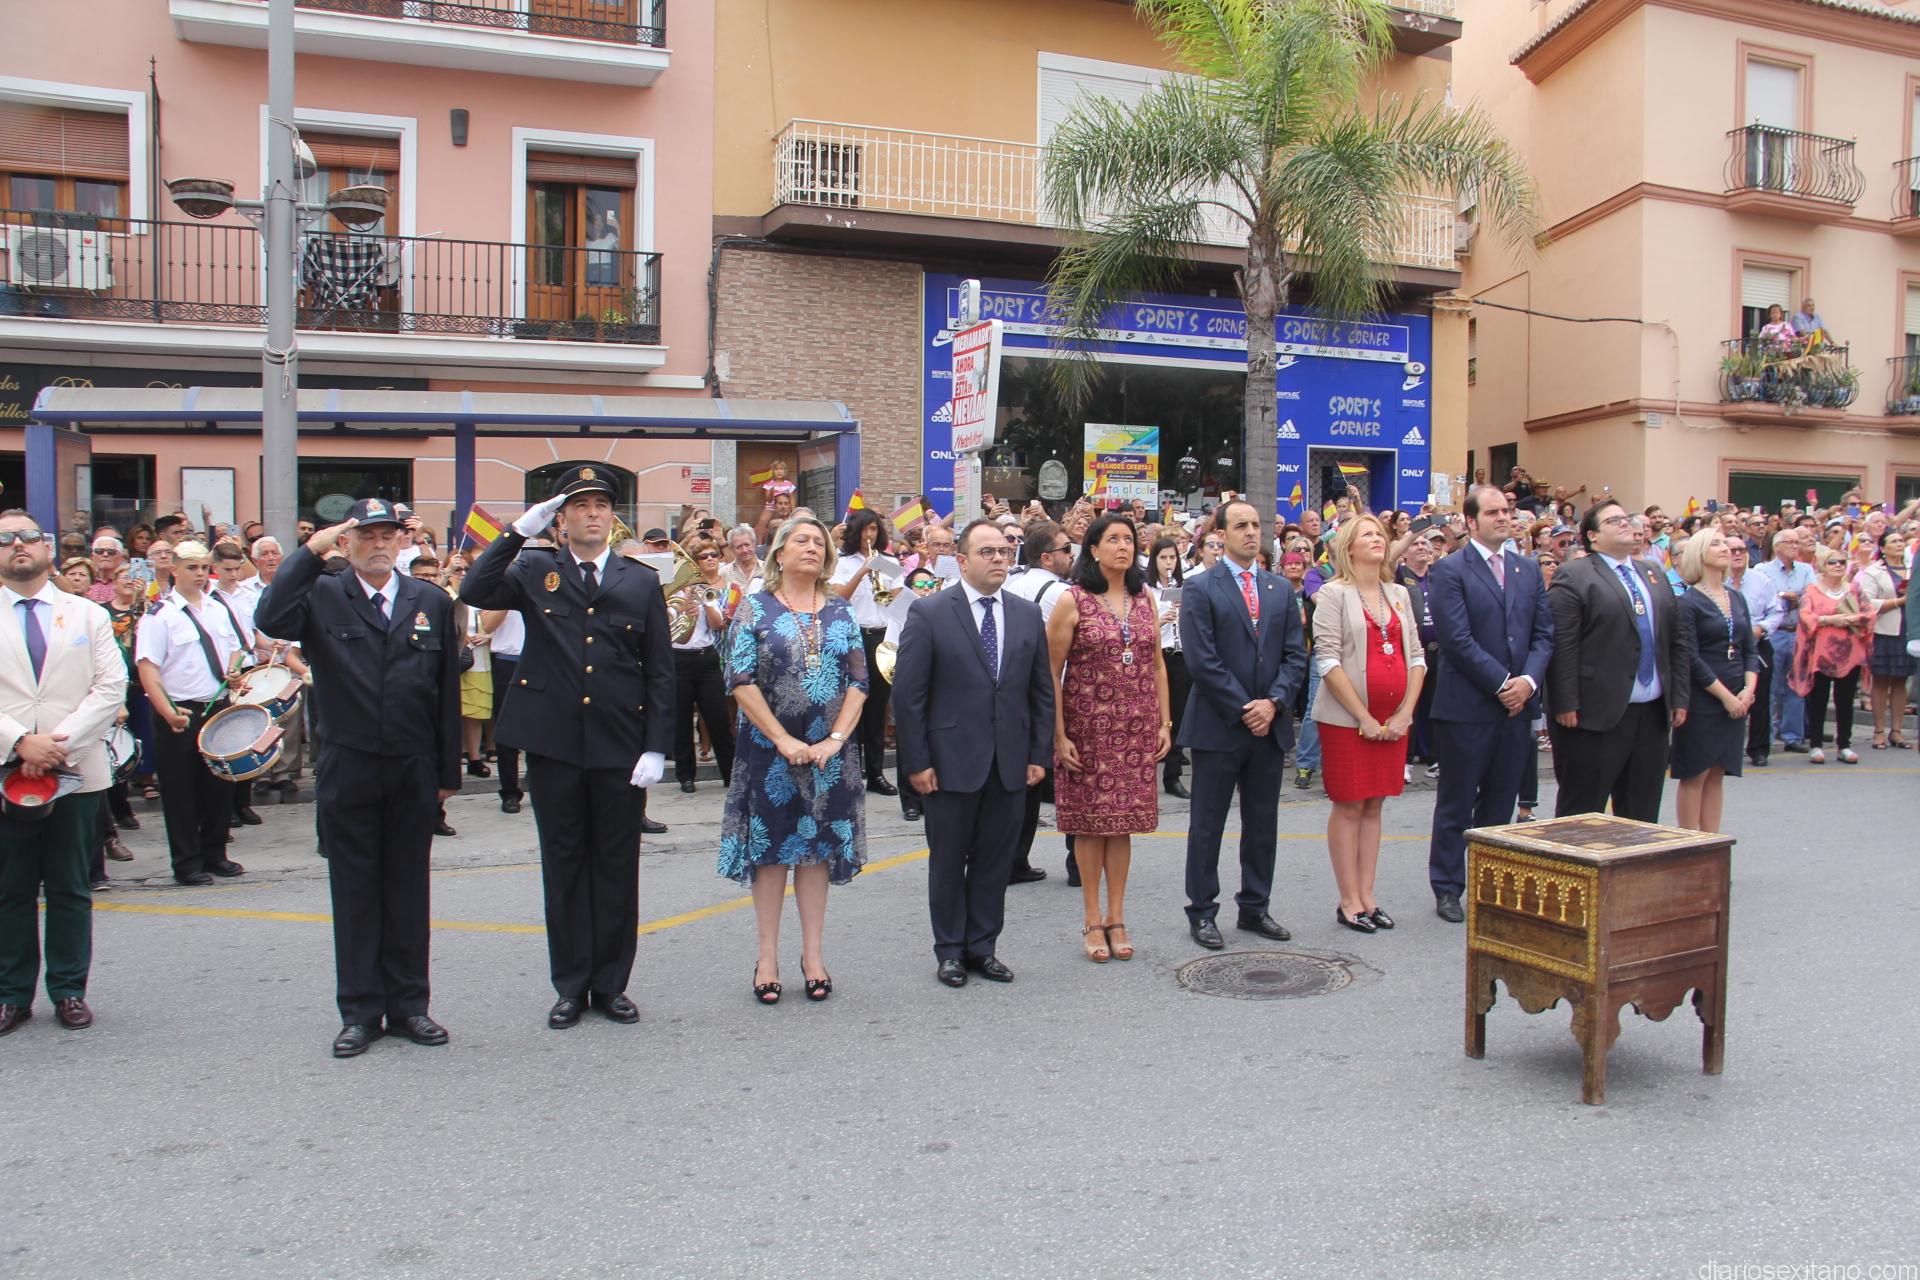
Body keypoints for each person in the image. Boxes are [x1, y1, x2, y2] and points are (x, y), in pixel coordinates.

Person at [460, 467, 675, 1031]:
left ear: (613, 516)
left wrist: (657, 746)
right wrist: (517, 531)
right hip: (553, 742)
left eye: (601, 504)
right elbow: (474, 590)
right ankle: (571, 985)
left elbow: (659, 669)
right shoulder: (536, 568)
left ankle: (611, 983)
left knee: (616, 865)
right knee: (563, 866)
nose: (592, 514)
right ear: (561, 519)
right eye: (580, 506)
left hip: (619, 743)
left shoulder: (639, 579)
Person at [255, 502, 463, 1058]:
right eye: (366, 536)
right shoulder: (321, 594)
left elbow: (445, 689)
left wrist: (447, 772)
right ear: (345, 544)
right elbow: (270, 618)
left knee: (408, 888)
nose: (378, 545)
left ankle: (410, 1005)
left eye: (387, 535)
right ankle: (361, 1011)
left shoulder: (430, 601)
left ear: (401, 542)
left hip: (411, 765)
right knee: (354, 891)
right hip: (349, 764)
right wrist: (310, 550)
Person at [895, 520, 1052, 986]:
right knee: (948, 860)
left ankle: (983, 947)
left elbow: (1041, 692)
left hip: (1009, 762)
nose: (999, 558)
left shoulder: (1026, 614)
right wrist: (917, 763)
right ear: (961, 561)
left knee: (994, 860)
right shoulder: (930, 612)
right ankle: (949, 950)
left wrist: (1038, 754)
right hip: (949, 763)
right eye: (987, 552)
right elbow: (909, 696)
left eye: (1004, 551)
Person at [719, 516, 867, 1003]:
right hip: (768, 751)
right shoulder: (755, 608)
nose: (812, 547)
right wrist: (782, 738)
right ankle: (767, 958)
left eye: (819, 542)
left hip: (829, 755)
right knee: (771, 853)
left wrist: (836, 739)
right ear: (778, 554)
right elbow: (740, 680)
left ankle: (813, 955)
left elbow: (859, 682)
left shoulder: (841, 610)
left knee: (817, 851)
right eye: (801, 540)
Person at [0, 510, 127, 1038]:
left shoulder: (86, 614)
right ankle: (11, 995)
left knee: (71, 885)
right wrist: (18, 741)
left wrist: (55, 745)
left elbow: (111, 686)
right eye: (5, 538)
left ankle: (69, 989)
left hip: (75, 769)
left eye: (29, 536)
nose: (18, 544)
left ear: (47, 548)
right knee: (9, 888)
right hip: (6, 769)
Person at [1177, 500, 1307, 950]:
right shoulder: (1201, 587)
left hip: (1268, 727)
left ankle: (1255, 906)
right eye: (1241, 526)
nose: (1251, 532)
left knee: (1262, 823)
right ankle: (1202, 910)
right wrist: (1245, 707)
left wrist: (1273, 703)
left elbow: (1295, 655)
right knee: (1208, 824)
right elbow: (1202, 659)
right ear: (1221, 534)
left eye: (1255, 525)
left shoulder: (1278, 588)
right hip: (1220, 725)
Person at [1423, 486, 1553, 923]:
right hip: (1467, 707)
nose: (1503, 517)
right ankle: (1447, 886)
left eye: (1507, 511)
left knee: (1500, 803)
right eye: (1493, 512)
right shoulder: (1450, 570)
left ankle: (1489, 885)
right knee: (1457, 802)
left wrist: (1528, 683)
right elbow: (1456, 639)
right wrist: (1502, 683)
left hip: (1516, 708)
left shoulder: (1526, 569)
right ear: (1471, 521)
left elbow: (1543, 634)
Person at [1047, 514, 1165, 965]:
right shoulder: (1072, 600)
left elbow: (1157, 664)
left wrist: (1164, 723)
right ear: (1093, 550)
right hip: (1088, 731)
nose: (1123, 546)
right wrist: (1058, 734)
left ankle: (1117, 918)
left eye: (1129, 539)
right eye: (1112, 539)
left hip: (1135, 730)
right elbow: (1051, 672)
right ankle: (1092, 918)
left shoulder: (1145, 597)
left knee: (1122, 826)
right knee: (1091, 826)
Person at [1311, 516, 1426, 933]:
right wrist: (1363, 716)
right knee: (1350, 804)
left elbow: (1417, 657)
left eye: (1380, 533)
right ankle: (1348, 900)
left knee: (1375, 803)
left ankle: (1368, 895)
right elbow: (1327, 660)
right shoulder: (1333, 594)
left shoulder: (1398, 594)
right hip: (1347, 721)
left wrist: (1406, 712)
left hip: (1394, 720)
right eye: (1368, 535)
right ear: (1348, 547)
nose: (1378, 539)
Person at [1545, 501, 1691, 821]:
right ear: (1593, 536)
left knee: (1641, 812)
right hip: (1594, 713)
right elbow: (1563, 645)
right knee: (1582, 812)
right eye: (1614, 521)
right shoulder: (1576, 574)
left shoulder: (1652, 573)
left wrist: (1679, 696)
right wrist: (1564, 701)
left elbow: (1676, 639)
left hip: (1651, 713)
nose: (1625, 523)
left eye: (1626, 518)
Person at [135, 541, 247, 886]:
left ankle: (215, 853)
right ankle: (186, 862)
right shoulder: (160, 615)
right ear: (174, 569)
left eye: (203, 568)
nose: (199, 575)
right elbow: (148, 668)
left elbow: (236, 649)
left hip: (218, 707)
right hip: (181, 709)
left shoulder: (217, 608)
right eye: (191, 568)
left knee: (220, 785)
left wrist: (233, 670)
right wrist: (167, 712)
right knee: (181, 790)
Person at [1670, 528, 1759, 834]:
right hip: (1704, 698)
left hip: (1737, 694)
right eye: (1716, 544)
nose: (1726, 549)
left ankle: (1711, 842)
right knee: (1696, 772)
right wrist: (1726, 697)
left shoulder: (1736, 598)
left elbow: (1749, 649)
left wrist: (1748, 689)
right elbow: (1691, 658)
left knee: (1718, 771)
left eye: (1726, 544)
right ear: (1699, 553)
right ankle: (1688, 844)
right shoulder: (1688, 602)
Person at [1002, 520, 1075, 884]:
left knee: (1016, 778)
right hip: (1047, 693)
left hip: (1010, 693)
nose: (1071, 556)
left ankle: (1009, 858)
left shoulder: (1010, 582)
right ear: (1047, 557)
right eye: (1066, 550)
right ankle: (1021, 859)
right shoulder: (1061, 593)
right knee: (1039, 775)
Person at [829, 510, 899, 800]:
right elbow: (837, 598)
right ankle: (850, 771)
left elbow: (896, 601)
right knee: (851, 705)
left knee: (877, 708)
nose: (869, 535)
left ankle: (875, 772)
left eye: (873, 530)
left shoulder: (890, 561)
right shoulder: (842, 562)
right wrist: (861, 573)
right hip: (853, 637)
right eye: (864, 530)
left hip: (882, 637)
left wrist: (883, 580)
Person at [1790, 546, 1872, 765]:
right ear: (1822, 567)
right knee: (1818, 700)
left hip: (1850, 653)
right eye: (1832, 562)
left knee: (1845, 700)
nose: (1838, 566)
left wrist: (1850, 619)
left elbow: (1869, 613)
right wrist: (1828, 620)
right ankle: (1816, 745)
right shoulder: (1812, 590)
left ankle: (1844, 745)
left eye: (1842, 562)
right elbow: (1805, 616)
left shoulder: (1854, 589)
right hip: (1821, 654)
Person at [669, 533, 735, 794]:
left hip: (706, 658)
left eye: (712, 555)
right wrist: (683, 608)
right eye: (701, 557)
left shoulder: (707, 592)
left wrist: (705, 603)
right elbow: (670, 629)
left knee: (718, 718)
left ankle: (730, 773)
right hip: (679, 659)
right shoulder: (673, 593)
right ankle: (686, 776)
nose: (708, 559)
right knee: (681, 721)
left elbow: (718, 625)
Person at [1748, 527, 1813, 754]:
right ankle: (1765, 737)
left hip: (1798, 631)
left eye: (1797, 542)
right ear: (1777, 546)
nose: (1796, 546)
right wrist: (1791, 596)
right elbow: (1767, 599)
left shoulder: (1806, 569)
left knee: (1796, 685)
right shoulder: (1762, 570)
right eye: (1790, 542)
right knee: (1769, 687)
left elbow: (1810, 597)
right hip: (1773, 633)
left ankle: (1793, 736)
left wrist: (1786, 595)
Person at [1856, 530, 1912, 748]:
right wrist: (1899, 602)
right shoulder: (1874, 571)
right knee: (1881, 680)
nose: (1899, 544)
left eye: (1901, 541)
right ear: (1883, 547)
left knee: (1901, 680)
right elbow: (1868, 602)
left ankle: (1896, 731)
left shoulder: (1912, 568)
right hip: (1884, 631)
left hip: (1908, 630)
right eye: (1894, 541)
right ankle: (1878, 731)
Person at [1149, 536, 1191, 800]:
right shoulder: (1145, 591)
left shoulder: (1184, 588)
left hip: (1179, 656)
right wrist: (1161, 620)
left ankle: (1173, 776)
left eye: (1172, 558)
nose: (1168, 563)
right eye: (1163, 557)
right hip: (1155, 656)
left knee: (1177, 716)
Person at [482, 599, 526, 813]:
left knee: (543, 728)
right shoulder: (502, 591)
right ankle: (509, 792)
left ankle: (541, 785)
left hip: (541, 661)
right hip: (507, 661)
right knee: (506, 730)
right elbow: (488, 625)